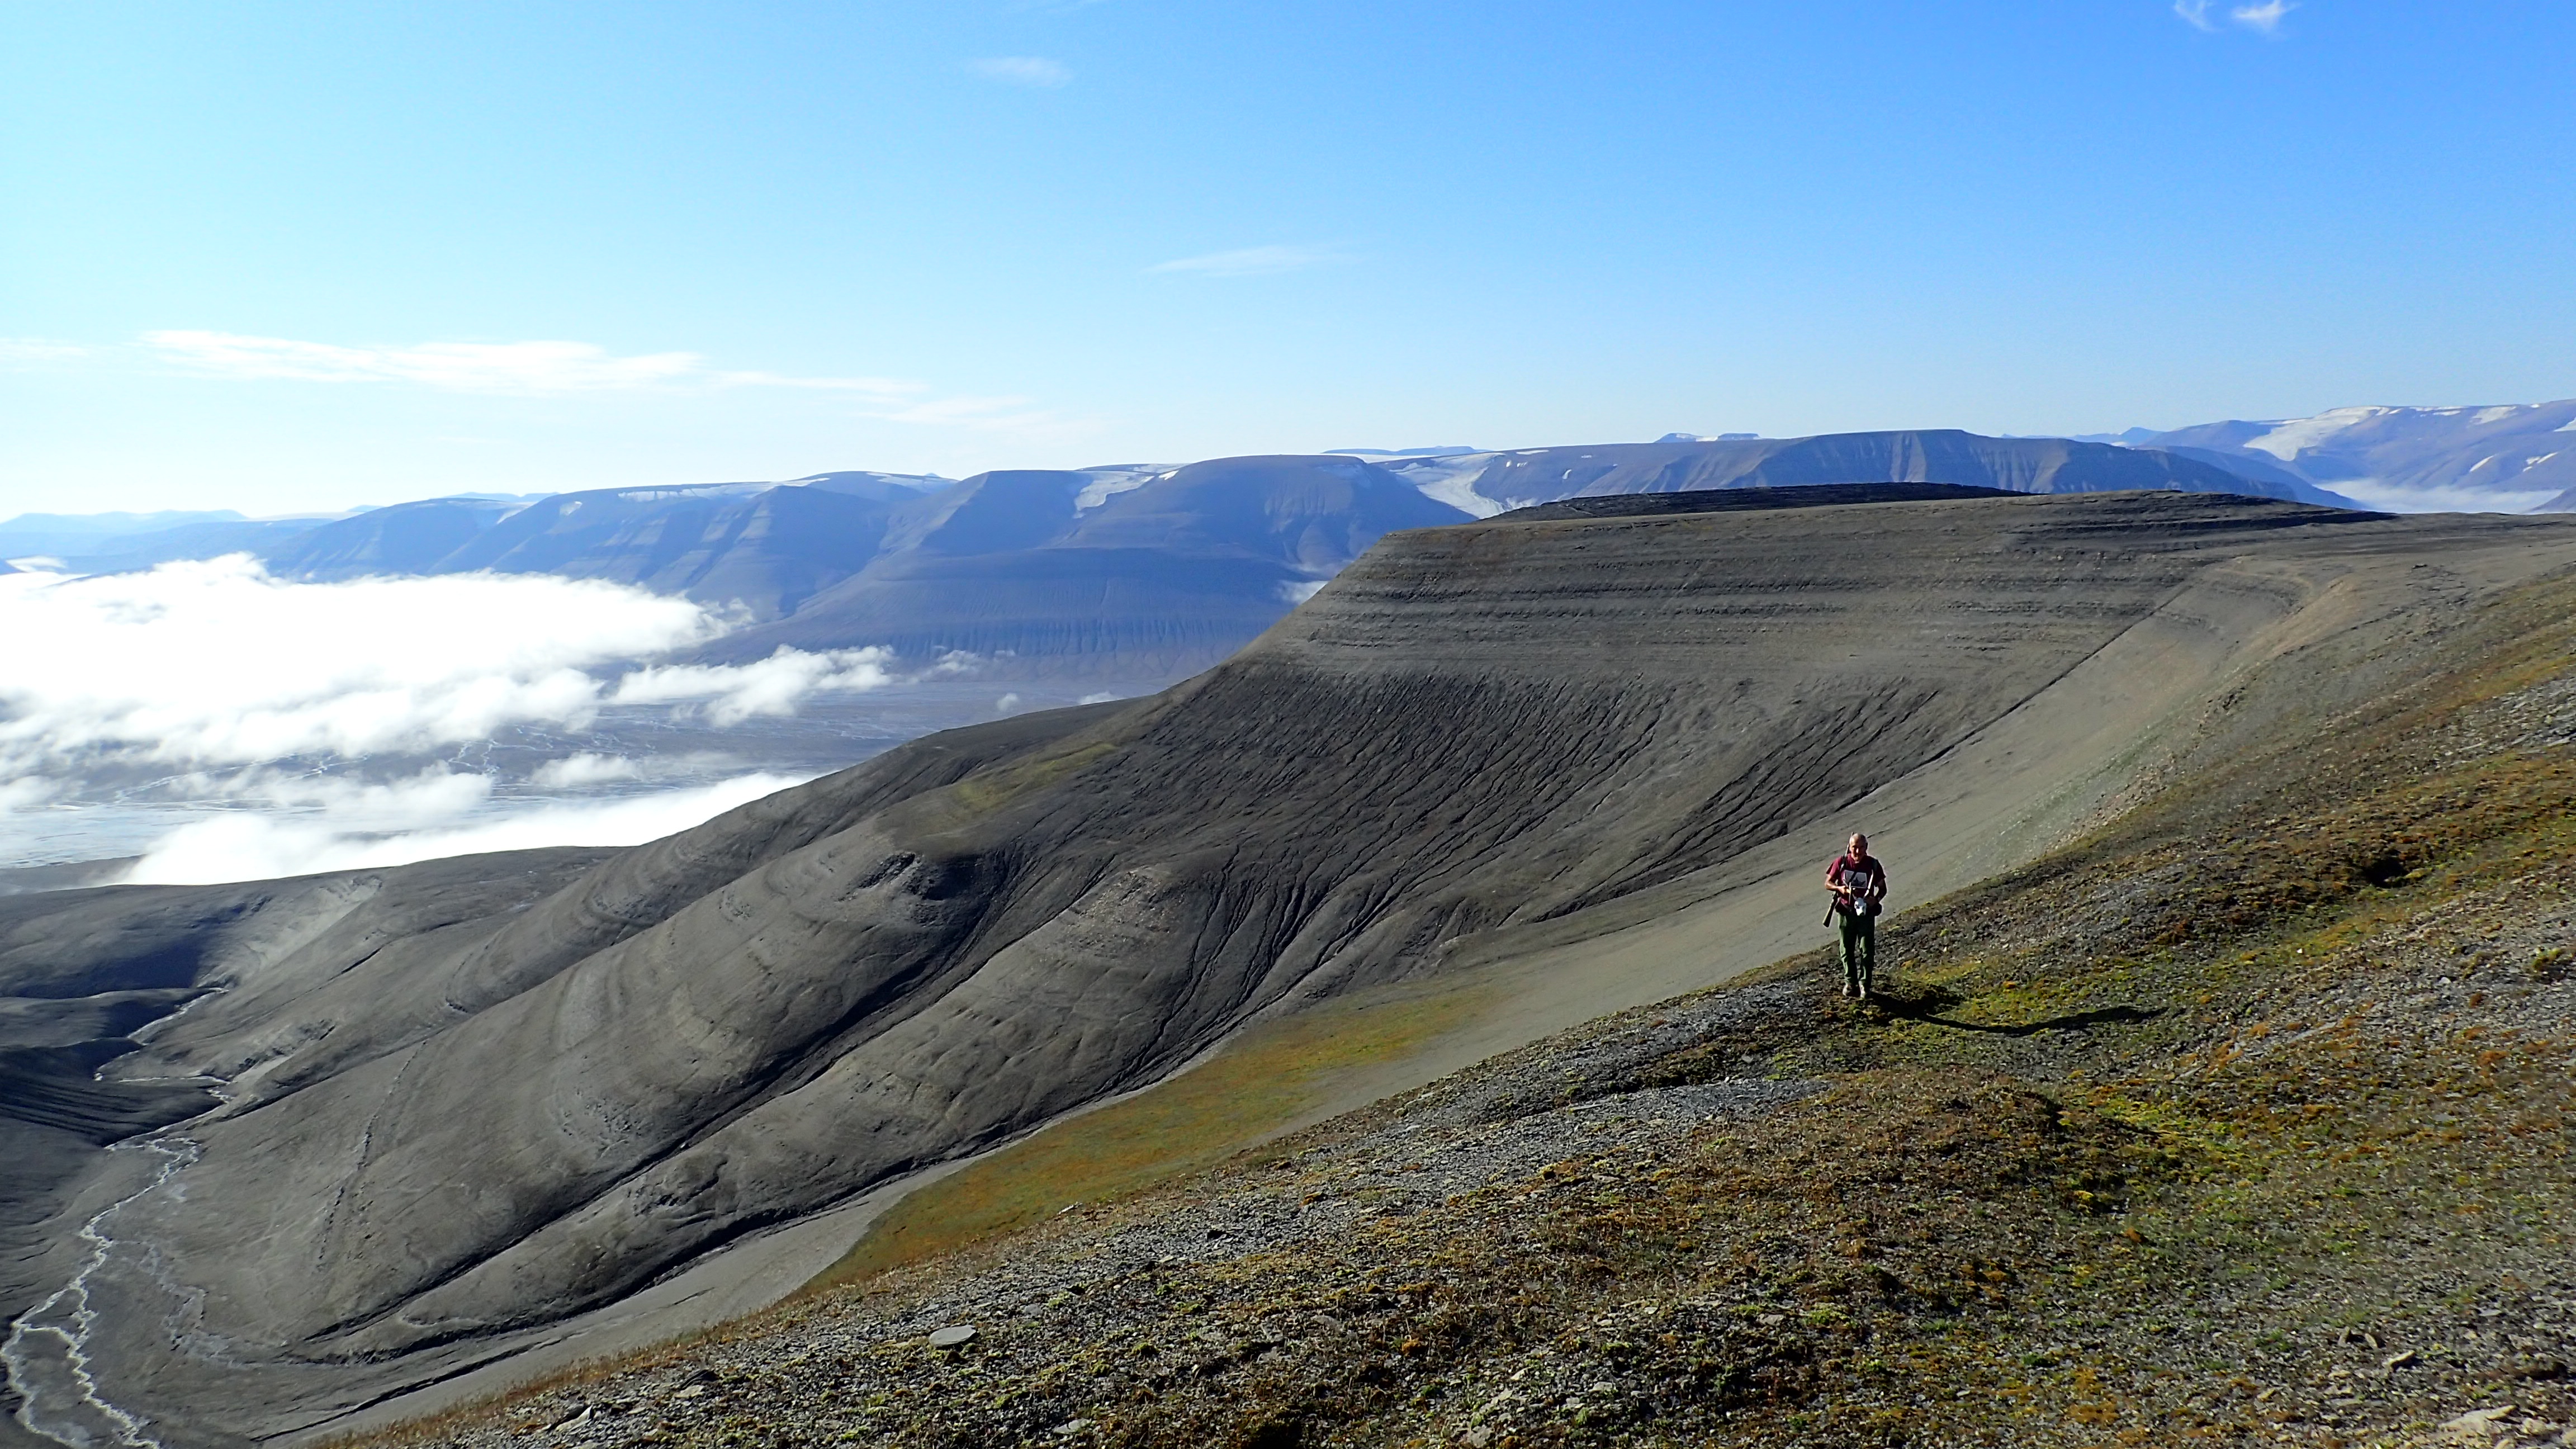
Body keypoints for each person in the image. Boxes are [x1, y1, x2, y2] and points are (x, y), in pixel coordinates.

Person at [1825, 833, 1888, 999]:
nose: (1857, 851)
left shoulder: (1873, 865)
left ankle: (1865, 985)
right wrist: (1840, 889)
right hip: (1846, 911)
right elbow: (1828, 883)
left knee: (1867, 950)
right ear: (1849, 847)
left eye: (1861, 847)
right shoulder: (1842, 863)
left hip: (1866, 913)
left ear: (1866, 848)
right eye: (1854, 847)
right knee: (1846, 949)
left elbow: (1883, 888)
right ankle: (1850, 983)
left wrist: (1876, 900)